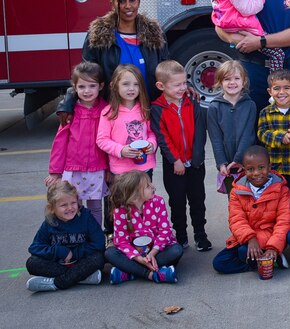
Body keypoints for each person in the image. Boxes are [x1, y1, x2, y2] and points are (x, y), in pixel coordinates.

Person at [57, 0, 170, 123]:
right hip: (113, 114)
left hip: (147, 111)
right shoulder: (98, 36)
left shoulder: (154, 34)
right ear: (112, 4)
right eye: (121, 1)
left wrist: (185, 86)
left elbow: (166, 69)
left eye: (132, 0)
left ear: (139, 1)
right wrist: (68, 101)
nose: (128, 6)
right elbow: (85, 74)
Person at [150, 60, 209, 251]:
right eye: (177, 85)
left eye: (185, 83)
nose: (183, 88)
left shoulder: (192, 101)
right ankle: (181, 236)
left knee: (198, 200)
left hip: (196, 162)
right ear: (161, 86)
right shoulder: (158, 108)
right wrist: (175, 160)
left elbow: (200, 131)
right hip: (173, 165)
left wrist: (198, 157)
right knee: (177, 202)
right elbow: (162, 137)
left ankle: (200, 235)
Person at [44, 62, 108, 228]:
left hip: (97, 168)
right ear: (75, 87)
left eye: (92, 86)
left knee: (95, 207)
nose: (87, 91)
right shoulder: (70, 112)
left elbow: (110, 141)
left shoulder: (107, 110)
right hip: (73, 169)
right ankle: (77, 237)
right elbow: (60, 143)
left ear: (101, 86)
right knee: (74, 205)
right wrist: (55, 172)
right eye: (82, 86)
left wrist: (111, 170)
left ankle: (96, 238)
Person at [212, 146, 290, 274]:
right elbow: (236, 219)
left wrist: (273, 247)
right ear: (244, 170)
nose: (256, 173)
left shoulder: (282, 190)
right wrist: (250, 239)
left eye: (261, 167)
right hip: (247, 238)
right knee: (220, 263)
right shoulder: (236, 191)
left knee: (243, 252)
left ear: (269, 166)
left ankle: (269, 255)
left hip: (270, 237)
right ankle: (269, 261)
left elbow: (284, 222)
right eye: (250, 169)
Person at [25, 182, 105, 292]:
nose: (70, 208)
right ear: (52, 208)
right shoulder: (49, 222)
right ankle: (81, 278)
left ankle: (56, 283)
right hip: (58, 264)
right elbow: (34, 248)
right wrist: (59, 251)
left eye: (73, 203)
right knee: (32, 263)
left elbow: (99, 243)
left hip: (81, 261)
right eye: (63, 205)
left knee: (98, 258)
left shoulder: (85, 217)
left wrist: (75, 253)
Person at [105, 171, 183, 284]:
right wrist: (138, 258)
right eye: (147, 186)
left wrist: (152, 254)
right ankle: (152, 274)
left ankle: (129, 272)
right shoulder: (120, 210)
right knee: (110, 253)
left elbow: (165, 231)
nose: (153, 187)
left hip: (156, 250)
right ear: (134, 196)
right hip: (134, 253)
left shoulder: (158, 201)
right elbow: (121, 241)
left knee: (176, 250)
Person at [206, 60, 257, 194]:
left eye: (236, 78)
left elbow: (248, 135)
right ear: (219, 82)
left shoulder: (250, 105)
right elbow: (215, 138)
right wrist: (221, 162)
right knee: (234, 201)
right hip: (228, 166)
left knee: (251, 197)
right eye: (227, 79)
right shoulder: (214, 107)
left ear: (244, 81)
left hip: (246, 163)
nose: (232, 82)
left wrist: (239, 159)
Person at [96, 64, 156, 177]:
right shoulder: (108, 112)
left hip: (144, 167)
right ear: (114, 86)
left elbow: (151, 132)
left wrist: (152, 144)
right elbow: (102, 140)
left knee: (145, 195)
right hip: (120, 170)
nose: (131, 88)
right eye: (125, 84)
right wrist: (120, 150)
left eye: (136, 84)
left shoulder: (145, 109)